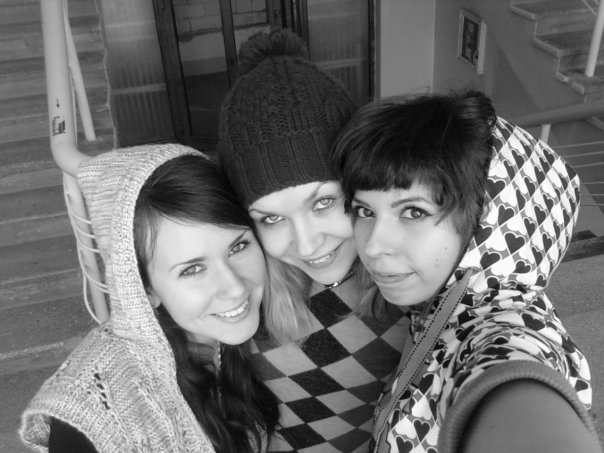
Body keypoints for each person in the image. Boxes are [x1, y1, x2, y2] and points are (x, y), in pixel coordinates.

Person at [331, 90, 602, 452]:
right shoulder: (435, 305)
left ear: (487, 222)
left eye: (413, 211)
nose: (372, 246)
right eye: (365, 211)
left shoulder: (504, 331)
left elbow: (512, 377)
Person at [20, 144, 279, 452]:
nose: (235, 287)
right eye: (193, 269)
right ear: (143, 289)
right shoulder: (94, 424)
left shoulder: (226, 336)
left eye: (238, 247)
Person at [218, 29, 407, 451]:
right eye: (271, 218)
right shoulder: (240, 296)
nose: (306, 246)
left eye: (323, 203)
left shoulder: (419, 279)